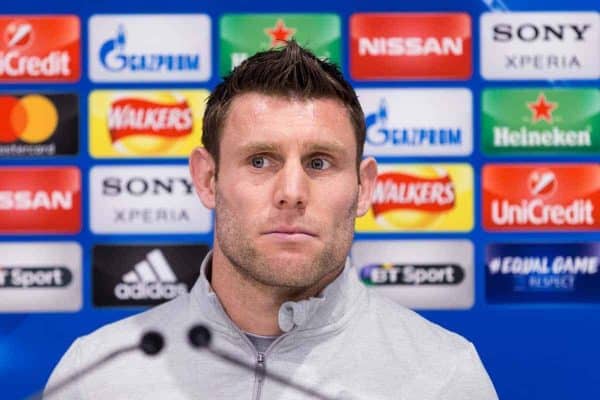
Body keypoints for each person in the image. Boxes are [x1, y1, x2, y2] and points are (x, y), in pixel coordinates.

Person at [45, 41, 498, 400]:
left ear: (364, 187)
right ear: (207, 178)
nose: (292, 193)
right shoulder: (98, 373)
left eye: (320, 163)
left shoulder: (444, 375)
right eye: (260, 161)